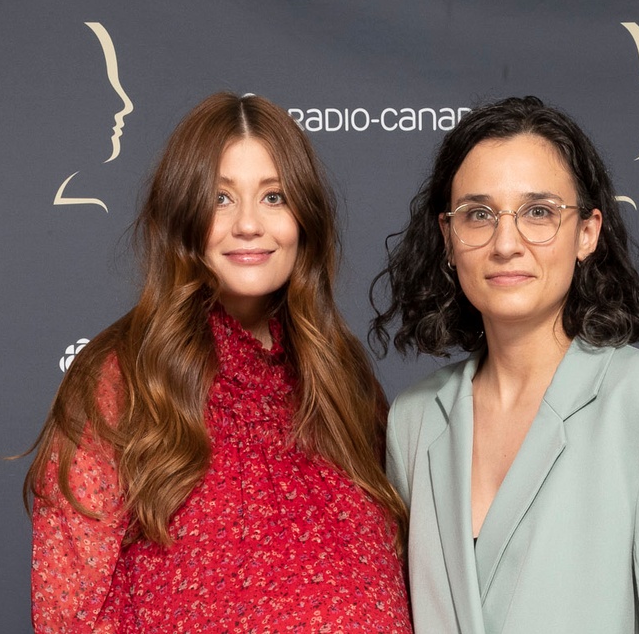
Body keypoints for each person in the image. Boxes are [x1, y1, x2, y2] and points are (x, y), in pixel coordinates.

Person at [25, 92, 411, 633]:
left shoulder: (340, 375)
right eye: (221, 199)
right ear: (183, 216)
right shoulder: (122, 380)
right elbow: (70, 610)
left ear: (305, 217)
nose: (249, 224)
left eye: (274, 197)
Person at [371, 96, 639, 634]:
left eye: (539, 211)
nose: (506, 244)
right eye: (478, 214)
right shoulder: (413, 419)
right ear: (448, 238)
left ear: (587, 232)